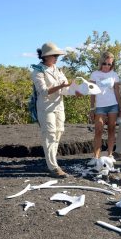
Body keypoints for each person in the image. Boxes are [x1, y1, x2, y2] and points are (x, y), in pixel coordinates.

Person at [31, 42, 82, 178]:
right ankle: (53, 167)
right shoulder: (38, 71)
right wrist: (61, 86)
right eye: (54, 55)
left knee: (58, 133)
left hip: (59, 107)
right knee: (50, 135)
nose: (56, 58)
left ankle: (51, 163)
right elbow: (43, 91)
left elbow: (65, 89)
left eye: (57, 55)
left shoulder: (58, 71)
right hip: (46, 108)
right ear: (46, 56)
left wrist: (75, 91)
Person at [89, 52, 121, 160]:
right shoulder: (94, 74)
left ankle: (109, 155)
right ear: (101, 63)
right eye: (105, 63)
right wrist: (91, 108)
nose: (107, 66)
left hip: (113, 105)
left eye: (109, 64)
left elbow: (117, 92)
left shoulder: (114, 75)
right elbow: (92, 92)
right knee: (98, 130)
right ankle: (96, 156)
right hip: (100, 106)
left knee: (111, 130)